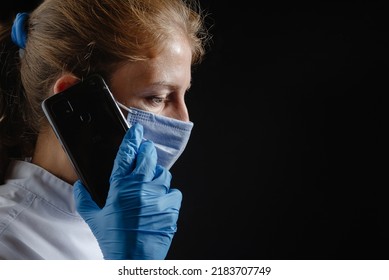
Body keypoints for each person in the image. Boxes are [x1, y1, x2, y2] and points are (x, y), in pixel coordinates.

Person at [0, 0, 209, 260]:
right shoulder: (9, 244)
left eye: (183, 94)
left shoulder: (121, 222)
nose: (183, 119)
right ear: (75, 97)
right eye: (157, 97)